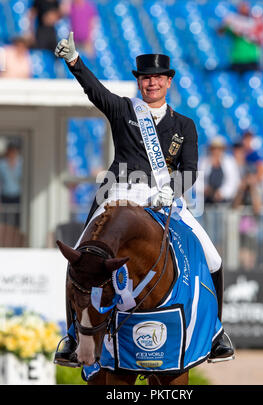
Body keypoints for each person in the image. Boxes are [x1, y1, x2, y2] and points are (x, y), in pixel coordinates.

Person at [53, 32, 234, 365]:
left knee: (213, 258)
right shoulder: (123, 110)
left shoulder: (185, 125)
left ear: (168, 82)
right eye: (146, 78)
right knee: (79, 260)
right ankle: (71, 335)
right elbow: (95, 91)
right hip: (118, 194)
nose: (152, 83)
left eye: (158, 78)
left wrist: (174, 188)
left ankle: (217, 333)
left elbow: (190, 169)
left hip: (163, 197)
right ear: (140, 83)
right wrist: (74, 61)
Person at [218, 2, 261, 75]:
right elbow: (220, 32)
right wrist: (226, 24)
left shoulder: (255, 23)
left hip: (251, 58)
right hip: (237, 58)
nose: (244, 9)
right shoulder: (233, 22)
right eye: (242, 7)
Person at [199, 136, 240, 205]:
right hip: (206, 201)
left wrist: (222, 193)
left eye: (219, 148)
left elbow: (234, 181)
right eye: (214, 148)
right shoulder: (203, 162)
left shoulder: (230, 162)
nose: (216, 151)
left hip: (226, 202)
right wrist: (205, 189)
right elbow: (197, 180)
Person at [0, 143, 23, 227]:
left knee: (19, 220)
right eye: (11, 152)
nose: (12, 154)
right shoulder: (2, 164)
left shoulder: (22, 163)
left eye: (14, 152)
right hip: (5, 195)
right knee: (5, 220)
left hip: (19, 195)